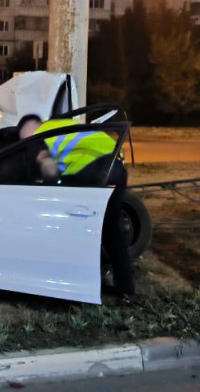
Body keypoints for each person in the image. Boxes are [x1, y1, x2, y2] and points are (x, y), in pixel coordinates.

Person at [33, 118, 134, 296]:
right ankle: (125, 286)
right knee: (111, 230)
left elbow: (47, 170)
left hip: (92, 170)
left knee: (77, 227)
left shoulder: (38, 137)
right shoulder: (60, 125)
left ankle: (76, 282)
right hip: (116, 166)